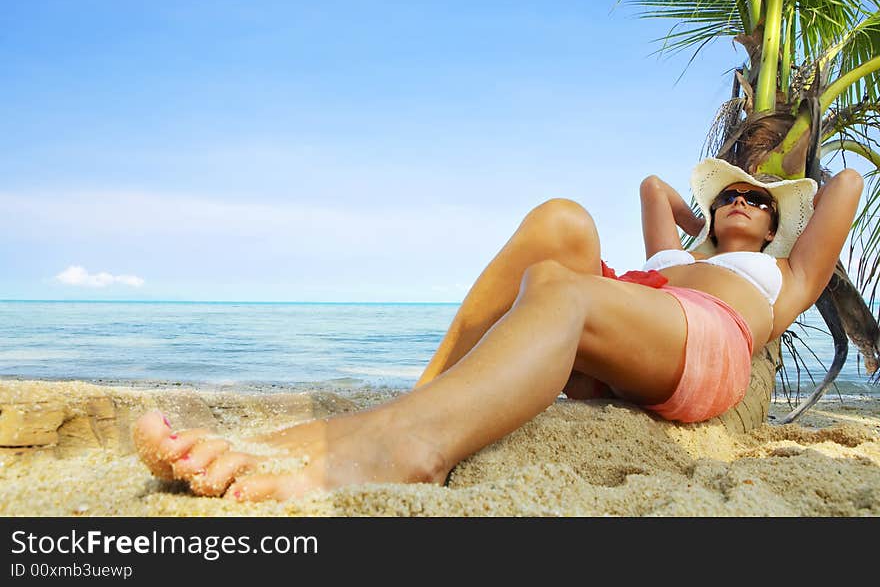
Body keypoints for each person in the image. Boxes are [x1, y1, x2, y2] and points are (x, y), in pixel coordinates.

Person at [132, 157, 863, 502]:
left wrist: (780, 182)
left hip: (703, 341)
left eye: (756, 200)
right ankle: (422, 398)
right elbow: (653, 187)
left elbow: (849, 187)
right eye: (729, 192)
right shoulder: (671, 252)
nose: (740, 198)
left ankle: (409, 443)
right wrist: (700, 223)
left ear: (776, 225)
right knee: (562, 219)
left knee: (556, 285)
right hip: (624, 321)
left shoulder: (785, 278)